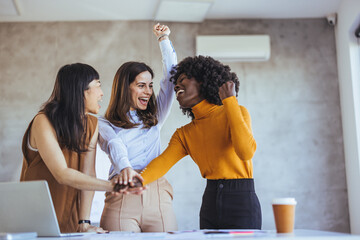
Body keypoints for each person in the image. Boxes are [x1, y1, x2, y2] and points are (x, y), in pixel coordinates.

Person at [138, 55, 262, 229]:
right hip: (210, 201)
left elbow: (245, 152)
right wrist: (136, 181)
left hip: (241, 200)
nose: (176, 85)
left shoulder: (236, 111)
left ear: (204, 81)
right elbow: (162, 163)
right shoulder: (185, 134)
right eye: (176, 82)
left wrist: (230, 101)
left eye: (183, 79)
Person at [20, 63, 125, 233]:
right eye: (98, 86)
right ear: (81, 91)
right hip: (34, 222)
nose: (102, 93)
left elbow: (88, 174)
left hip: (70, 222)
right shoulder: (43, 121)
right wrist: (112, 186)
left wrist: (84, 222)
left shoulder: (91, 124)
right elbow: (61, 173)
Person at [98, 23, 178, 232]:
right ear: (126, 88)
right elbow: (114, 144)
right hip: (122, 195)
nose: (148, 91)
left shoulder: (155, 116)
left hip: (158, 195)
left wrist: (164, 40)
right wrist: (126, 168)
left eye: (150, 85)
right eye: (141, 85)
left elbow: (170, 80)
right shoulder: (105, 122)